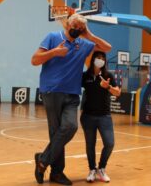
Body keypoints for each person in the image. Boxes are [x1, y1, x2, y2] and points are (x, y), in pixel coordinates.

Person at [31, 13, 111, 185]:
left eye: (80, 28)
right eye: (75, 26)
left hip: (73, 94)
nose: (77, 29)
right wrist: (55, 52)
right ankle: (57, 173)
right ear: (68, 24)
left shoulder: (84, 44)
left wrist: (89, 34)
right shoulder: (53, 37)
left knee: (70, 127)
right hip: (51, 92)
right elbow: (35, 60)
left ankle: (43, 159)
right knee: (55, 132)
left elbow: (107, 48)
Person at [80, 51, 121, 183]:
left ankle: (101, 168)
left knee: (109, 143)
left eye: (103, 58)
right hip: (88, 116)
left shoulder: (108, 75)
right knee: (90, 145)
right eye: (98, 57)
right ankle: (92, 169)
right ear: (93, 59)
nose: (100, 60)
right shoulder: (85, 76)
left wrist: (107, 86)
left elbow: (118, 92)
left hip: (104, 116)